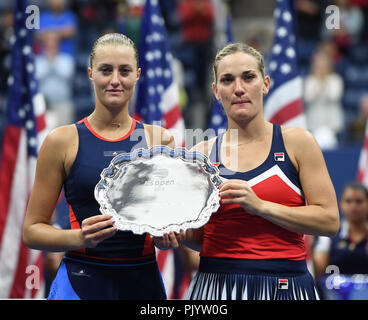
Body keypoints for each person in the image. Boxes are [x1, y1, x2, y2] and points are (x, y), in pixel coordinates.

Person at [23, 33, 178, 300]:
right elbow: (31, 230)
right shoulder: (62, 141)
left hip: (143, 282)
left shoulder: (160, 140)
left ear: (138, 75)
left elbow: (169, 220)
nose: (115, 80)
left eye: (124, 71)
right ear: (91, 73)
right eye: (106, 70)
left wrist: (167, 236)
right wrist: (79, 238)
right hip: (81, 281)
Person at [182, 42, 339, 300]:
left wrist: (261, 206)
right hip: (215, 287)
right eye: (228, 80)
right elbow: (197, 237)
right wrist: (173, 234)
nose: (239, 89)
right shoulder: (200, 154)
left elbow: (330, 221)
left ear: (265, 84)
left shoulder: (298, 142)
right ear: (216, 91)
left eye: (248, 77)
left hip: (286, 285)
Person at [313, 182, 368, 298]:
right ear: (341, 204)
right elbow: (319, 272)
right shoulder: (328, 234)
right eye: (348, 201)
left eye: (359, 201)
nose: (353, 206)